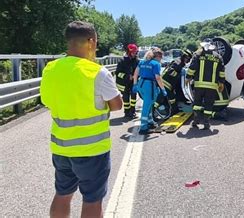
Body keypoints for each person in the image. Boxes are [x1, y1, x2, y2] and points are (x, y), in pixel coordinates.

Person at [40, 21, 123, 218]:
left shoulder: (51, 69)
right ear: (91, 42)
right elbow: (117, 105)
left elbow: (47, 101)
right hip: (92, 150)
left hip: (61, 147)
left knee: (62, 194)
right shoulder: (96, 71)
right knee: (92, 200)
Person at [186, 41, 225, 130]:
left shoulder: (198, 54)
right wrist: (221, 82)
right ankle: (206, 122)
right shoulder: (218, 57)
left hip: (199, 85)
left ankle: (196, 121)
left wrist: (188, 77)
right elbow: (222, 71)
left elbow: (192, 67)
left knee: (197, 104)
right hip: (212, 86)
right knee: (209, 104)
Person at [132, 47, 167, 135]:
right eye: (161, 57)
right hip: (149, 86)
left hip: (141, 84)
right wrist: (163, 89)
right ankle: (143, 127)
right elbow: (158, 78)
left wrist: (135, 84)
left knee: (149, 104)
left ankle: (150, 122)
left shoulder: (142, 62)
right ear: (157, 56)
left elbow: (135, 74)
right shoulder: (155, 64)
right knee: (146, 106)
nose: (161, 59)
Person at [161, 49, 193, 114]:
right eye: (188, 58)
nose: (188, 60)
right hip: (166, 83)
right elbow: (170, 71)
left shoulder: (180, 62)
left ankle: (173, 109)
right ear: (184, 56)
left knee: (172, 97)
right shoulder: (178, 62)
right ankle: (172, 111)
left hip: (169, 83)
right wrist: (177, 76)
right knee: (171, 98)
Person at [116, 43, 139, 119]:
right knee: (126, 98)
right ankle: (127, 112)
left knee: (133, 96)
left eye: (135, 52)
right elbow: (118, 73)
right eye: (133, 52)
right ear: (129, 52)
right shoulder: (122, 61)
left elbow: (139, 71)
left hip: (133, 82)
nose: (134, 53)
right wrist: (127, 76)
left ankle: (132, 111)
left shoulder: (136, 61)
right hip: (124, 83)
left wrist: (136, 77)